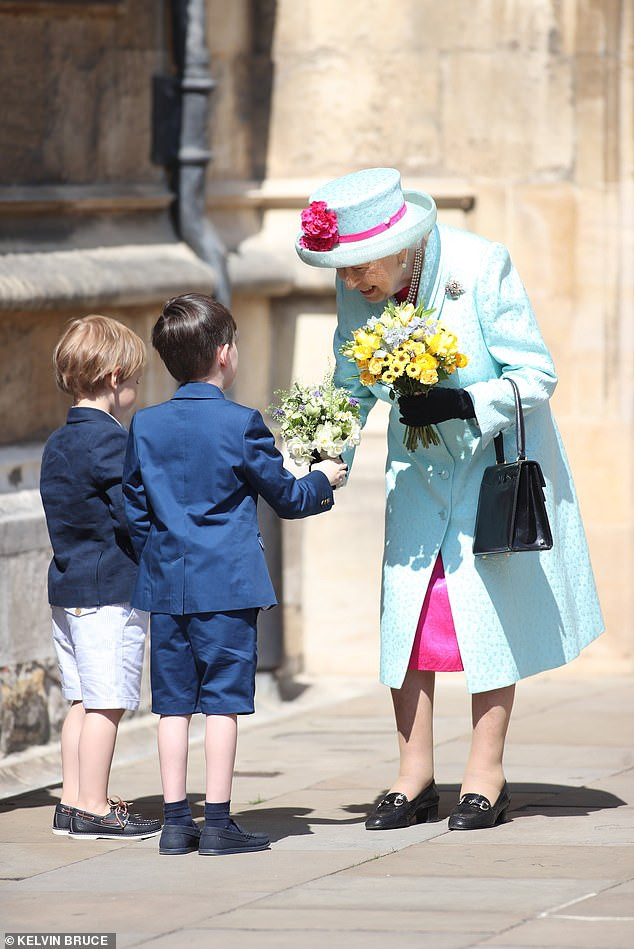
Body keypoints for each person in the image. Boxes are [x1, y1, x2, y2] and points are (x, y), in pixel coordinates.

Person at [295, 167, 604, 831]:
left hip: (484, 469)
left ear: (399, 244)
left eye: (357, 267)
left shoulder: (480, 263)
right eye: (340, 268)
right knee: (410, 622)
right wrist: (326, 460)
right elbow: (349, 385)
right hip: (416, 474)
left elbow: (536, 373)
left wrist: (465, 399)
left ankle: (485, 775)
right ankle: (413, 775)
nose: (349, 282)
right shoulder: (359, 284)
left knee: (483, 618)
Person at [122, 292, 347, 856]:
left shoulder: (145, 425)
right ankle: (218, 823)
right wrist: (324, 478)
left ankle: (176, 823)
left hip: (168, 586)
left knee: (172, 705)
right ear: (225, 353)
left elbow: (132, 507)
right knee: (222, 703)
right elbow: (289, 498)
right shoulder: (241, 423)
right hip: (226, 586)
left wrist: (163, 552)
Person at [40, 315, 161, 841]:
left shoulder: (58, 441)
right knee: (106, 702)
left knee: (82, 701)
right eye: (134, 377)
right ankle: (93, 805)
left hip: (68, 587)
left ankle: (71, 800)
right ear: (115, 377)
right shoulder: (110, 442)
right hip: (108, 589)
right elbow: (130, 514)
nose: (136, 385)